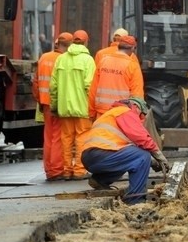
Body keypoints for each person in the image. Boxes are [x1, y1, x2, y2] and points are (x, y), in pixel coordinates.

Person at [81, 97, 170, 205]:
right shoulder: (125, 112)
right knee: (143, 156)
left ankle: (100, 180)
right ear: (136, 106)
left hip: (90, 157)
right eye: (141, 115)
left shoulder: (112, 114)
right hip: (100, 154)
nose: (141, 120)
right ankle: (135, 199)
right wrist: (161, 158)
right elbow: (142, 138)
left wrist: (153, 162)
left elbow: (130, 151)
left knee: (132, 160)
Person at [50, 29, 96, 180]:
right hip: (82, 108)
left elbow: (53, 87)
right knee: (82, 138)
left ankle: (67, 170)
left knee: (66, 140)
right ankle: (79, 170)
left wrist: (54, 106)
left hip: (64, 109)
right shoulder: (88, 60)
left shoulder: (61, 59)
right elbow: (90, 86)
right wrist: (93, 107)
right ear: (86, 42)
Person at [32, 32, 73, 181]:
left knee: (48, 137)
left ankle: (49, 169)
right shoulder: (63, 60)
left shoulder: (44, 57)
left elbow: (36, 82)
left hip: (44, 103)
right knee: (58, 137)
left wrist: (40, 100)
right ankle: (56, 170)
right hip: (57, 103)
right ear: (69, 46)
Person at [89, 35, 144, 120]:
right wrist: (138, 118)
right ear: (133, 48)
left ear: (118, 46)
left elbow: (93, 89)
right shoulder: (133, 66)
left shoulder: (103, 61)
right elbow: (137, 96)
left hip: (102, 113)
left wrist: (91, 112)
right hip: (122, 114)